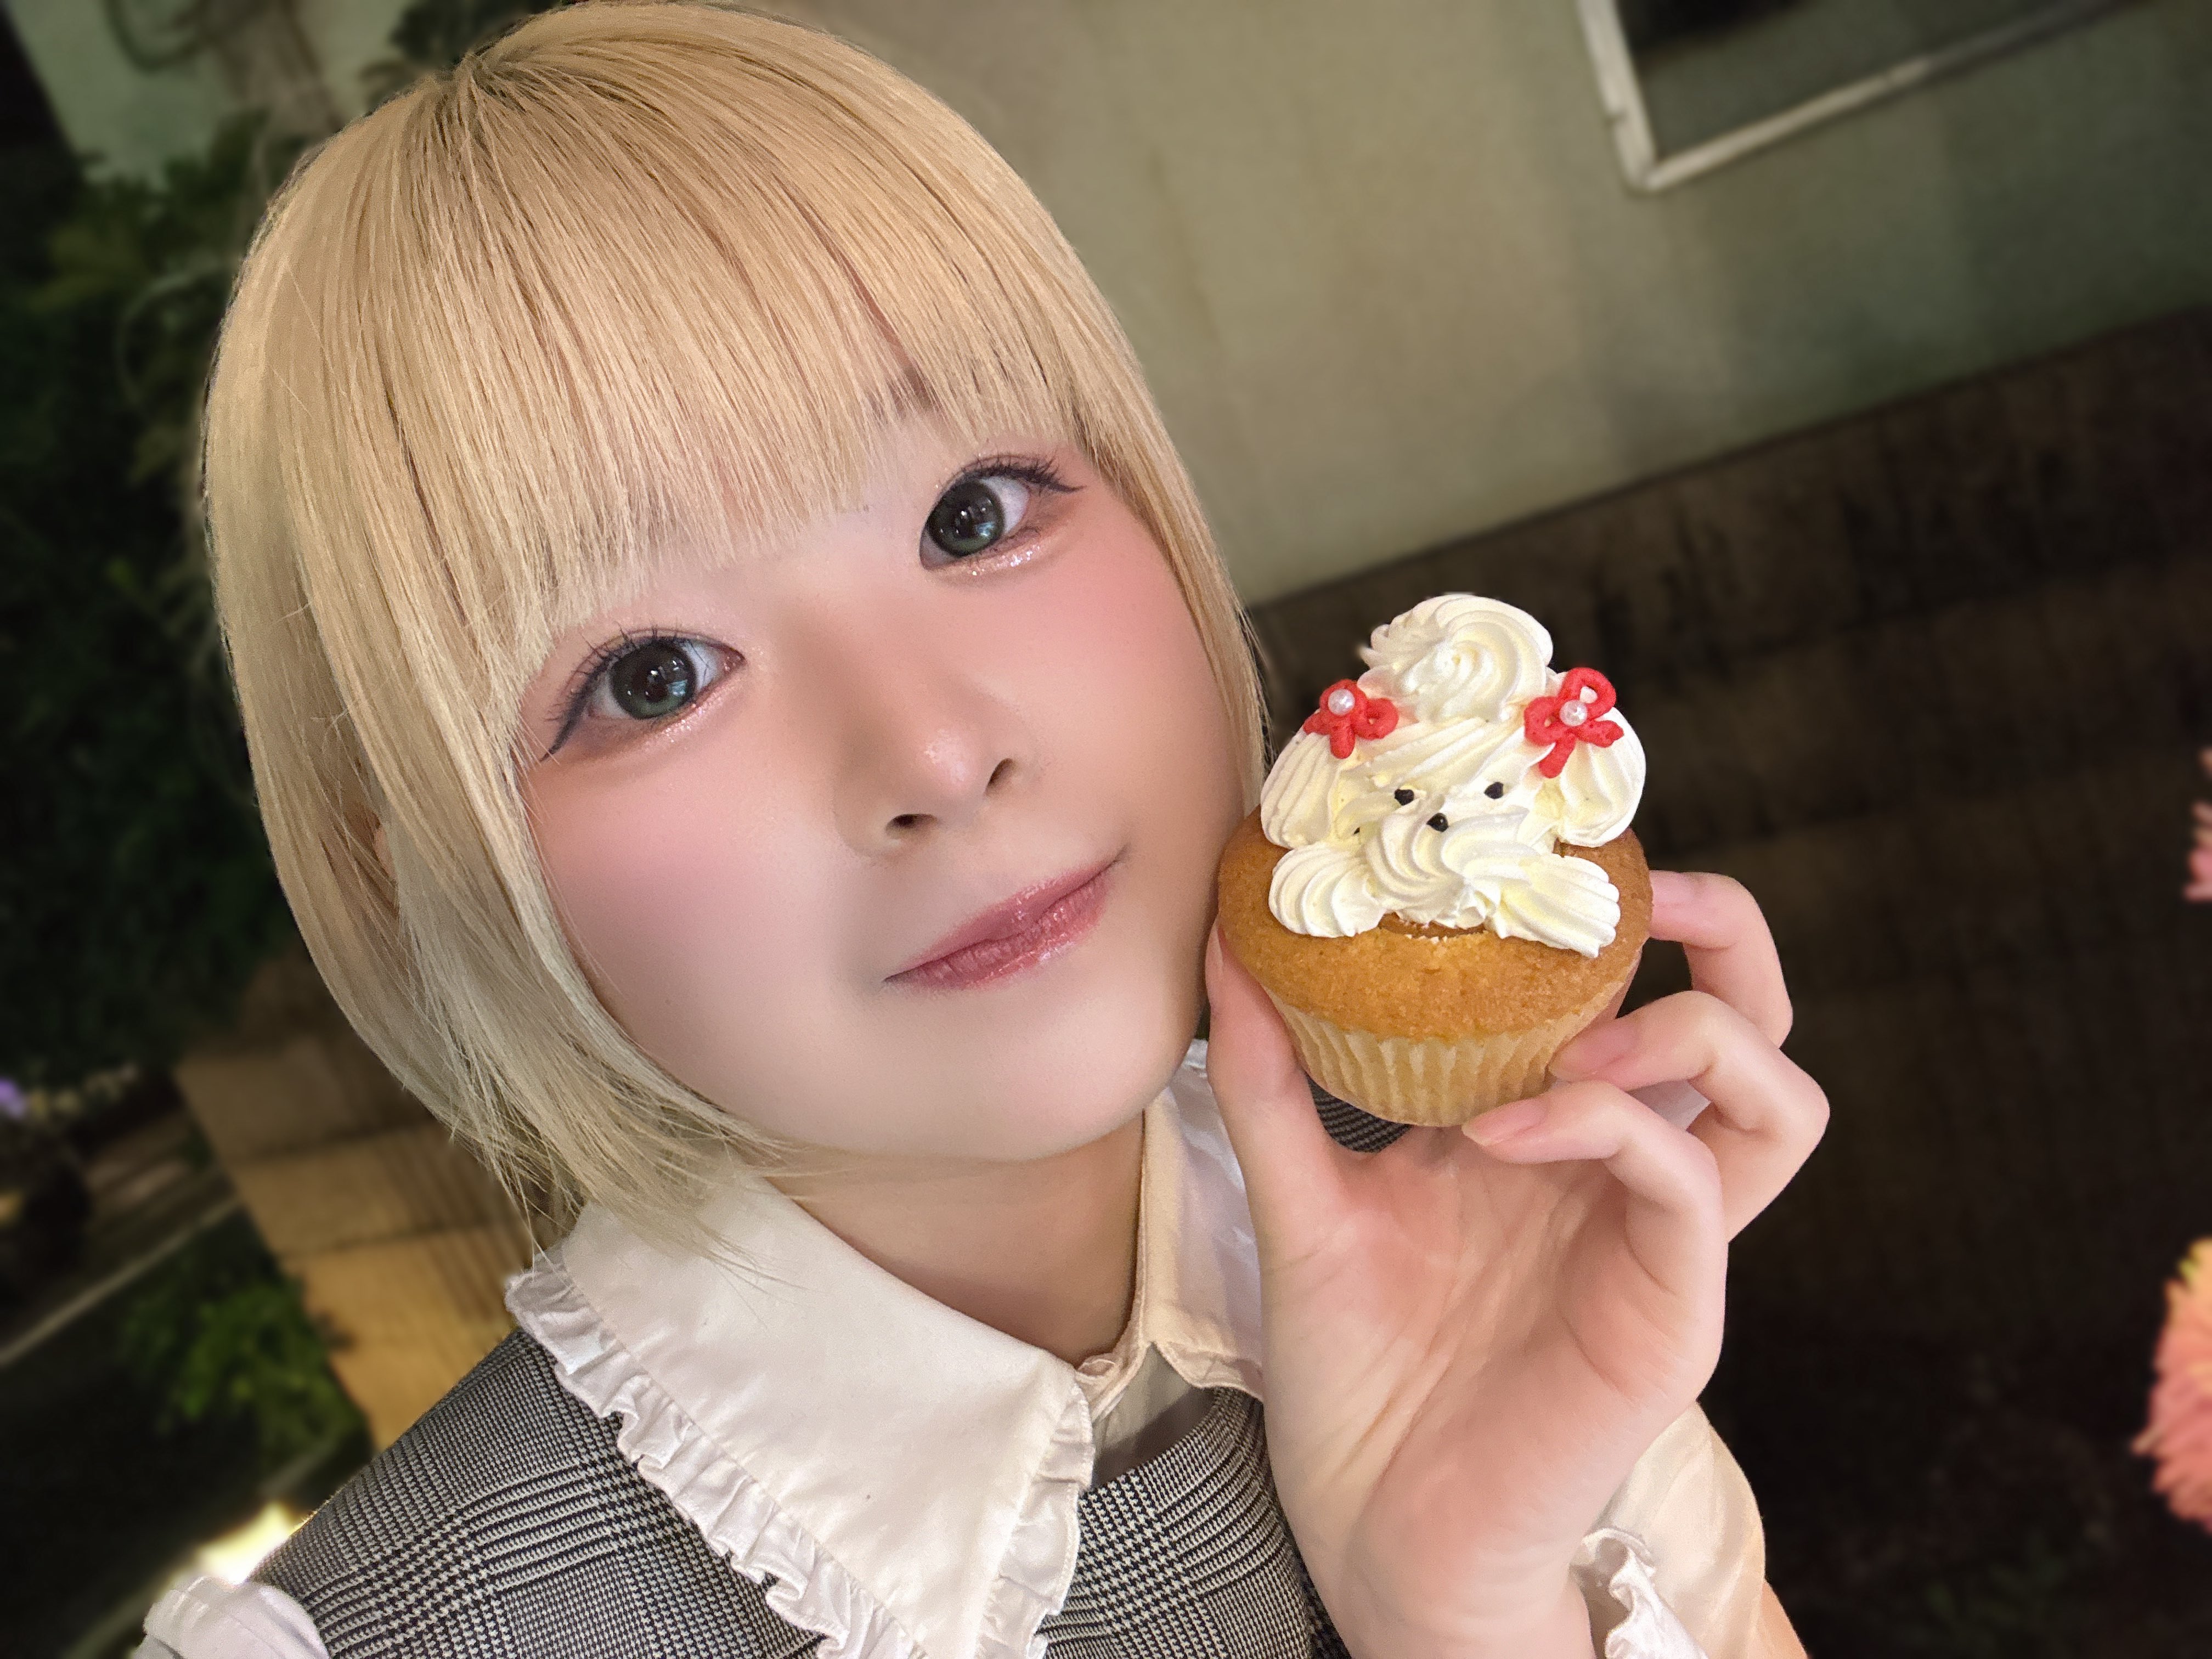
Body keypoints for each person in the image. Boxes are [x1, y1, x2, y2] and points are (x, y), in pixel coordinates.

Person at [138, 5, 1826, 1655]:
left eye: (973, 512)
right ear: (429, 881)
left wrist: (1466, 1617)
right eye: (653, 678)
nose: (939, 753)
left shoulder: (1465, 1227)